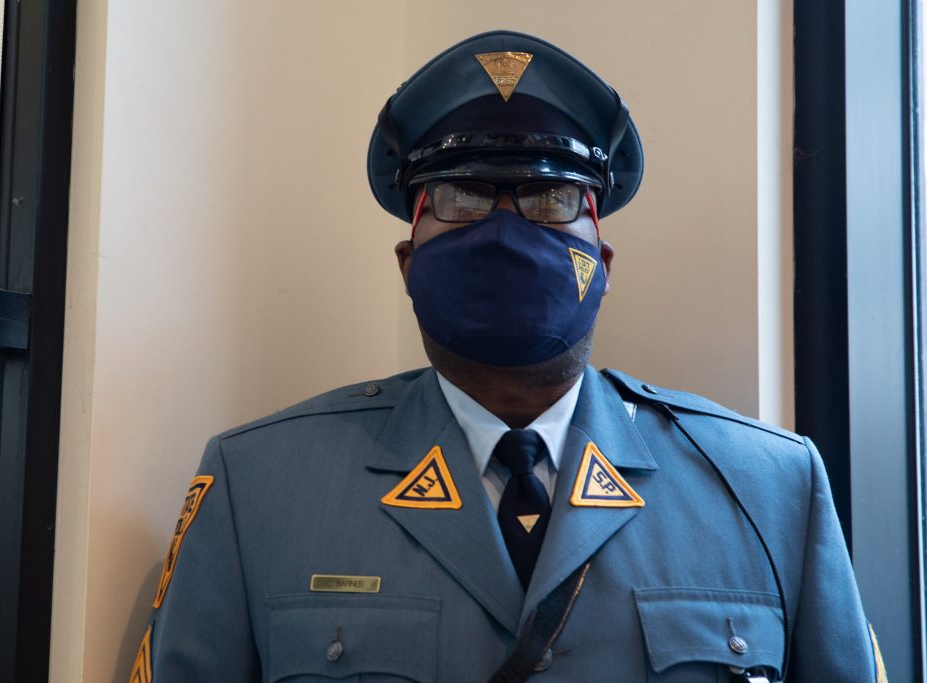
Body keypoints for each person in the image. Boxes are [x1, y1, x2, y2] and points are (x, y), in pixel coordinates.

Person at [129, 30, 885, 682]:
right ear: (406, 262)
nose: (505, 229)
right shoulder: (256, 489)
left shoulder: (771, 491)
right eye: (458, 197)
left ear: (605, 262)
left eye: (551, 200)